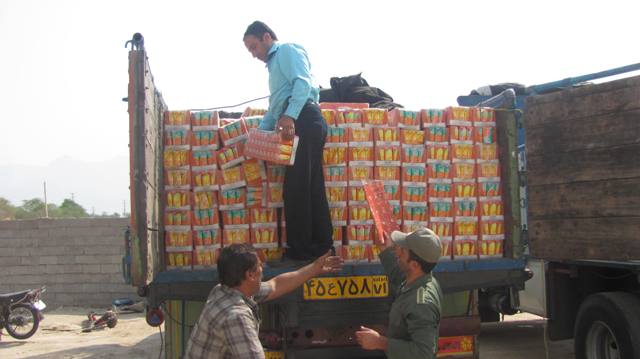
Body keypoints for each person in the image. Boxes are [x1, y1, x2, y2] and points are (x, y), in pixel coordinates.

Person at [243, 21, 333, 261]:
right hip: (299, 120)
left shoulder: (287, 51)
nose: (254, 54)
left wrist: (289, 115)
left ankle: (302, 251)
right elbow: (274, 110)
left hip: (305, 119)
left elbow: (303, 83)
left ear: (266, 37)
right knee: (310, 187)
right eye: (250, 50)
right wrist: (256, 137)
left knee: (297, 188)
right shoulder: (273, 68)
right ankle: (321, 247)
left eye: (254, 47)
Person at [184, 243, 343, 359]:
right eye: (260, 266)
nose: (263, 270)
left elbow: (275, 285)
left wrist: (314, 268)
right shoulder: (235, 316)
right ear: (250, 275)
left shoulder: (224, 290)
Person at [355, 227, 443, 359]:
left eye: (402, 250)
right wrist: (386, 250)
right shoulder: (419, 278)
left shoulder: (421, 303)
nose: (397, 251)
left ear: (414, 265)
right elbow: (398, 273)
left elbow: (424, 353)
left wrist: (379, 342)